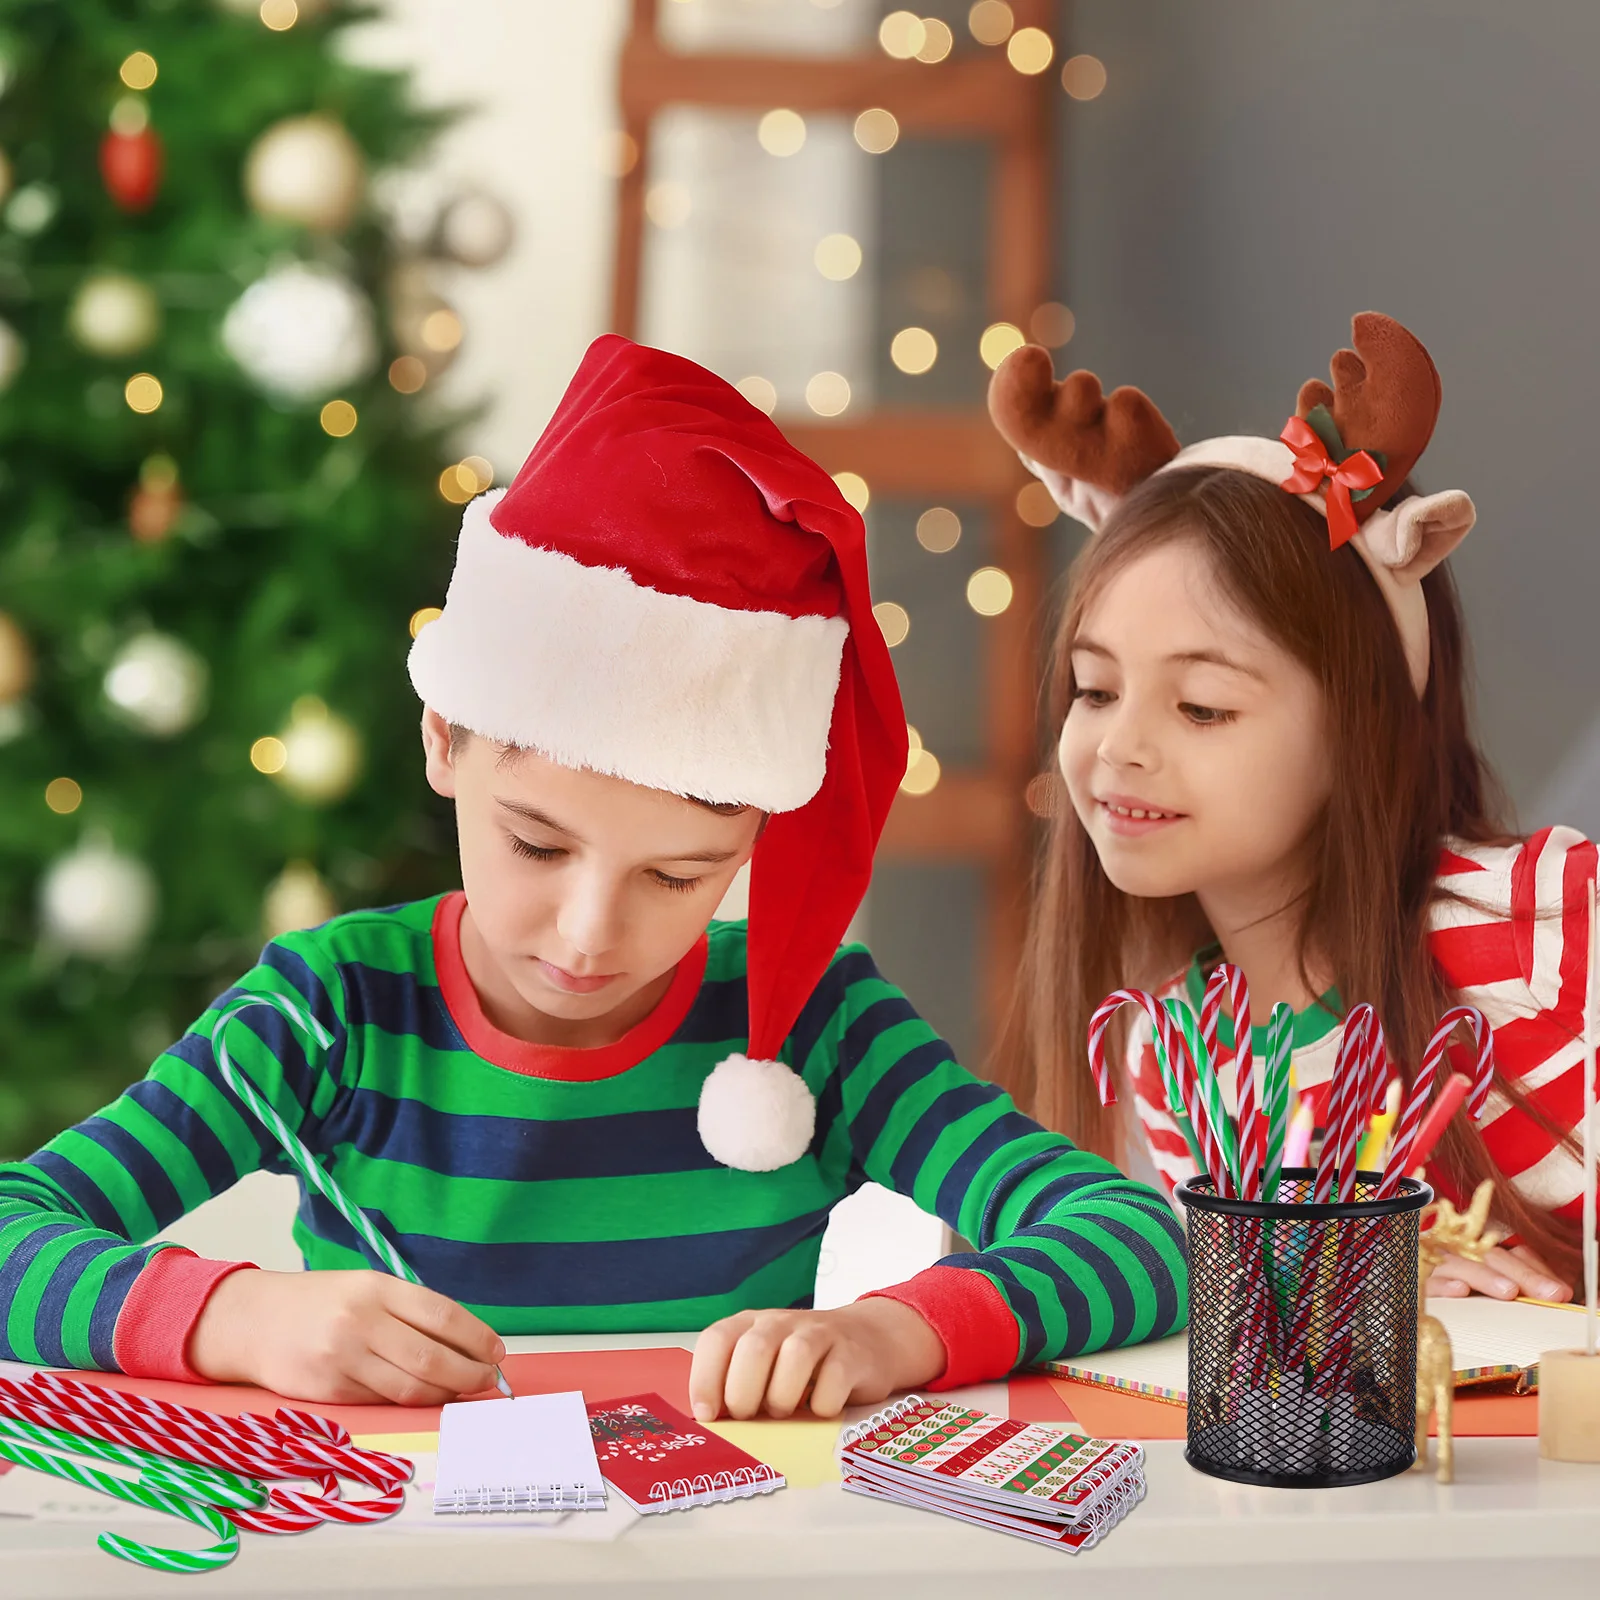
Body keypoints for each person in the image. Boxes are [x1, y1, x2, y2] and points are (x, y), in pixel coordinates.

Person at [0, 336, 1185, 1419]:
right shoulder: (331, 1012)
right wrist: (237, 1316)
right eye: (537, 844)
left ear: (754, 843)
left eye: (678, 876)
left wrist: (899, 1328)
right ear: (445, 740)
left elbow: (1141, 1240)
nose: (587, 932)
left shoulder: (818, 1026)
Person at [989, 312, 1592, 1301]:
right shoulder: (1176, 1056)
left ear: (1358, 726)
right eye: (1095, 689)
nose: (1119, 747)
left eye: (1201, 705)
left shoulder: (1528, 929)